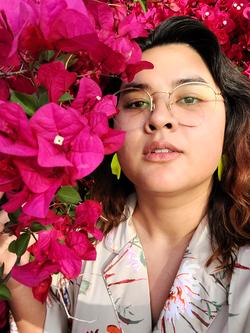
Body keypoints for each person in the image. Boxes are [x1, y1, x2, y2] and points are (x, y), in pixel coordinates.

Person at [1, 15, 250, 333]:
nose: (159, 118)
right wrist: (21, 290)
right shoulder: (72, 252)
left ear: (231, 120)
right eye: (135, 102)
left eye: (188, 98)